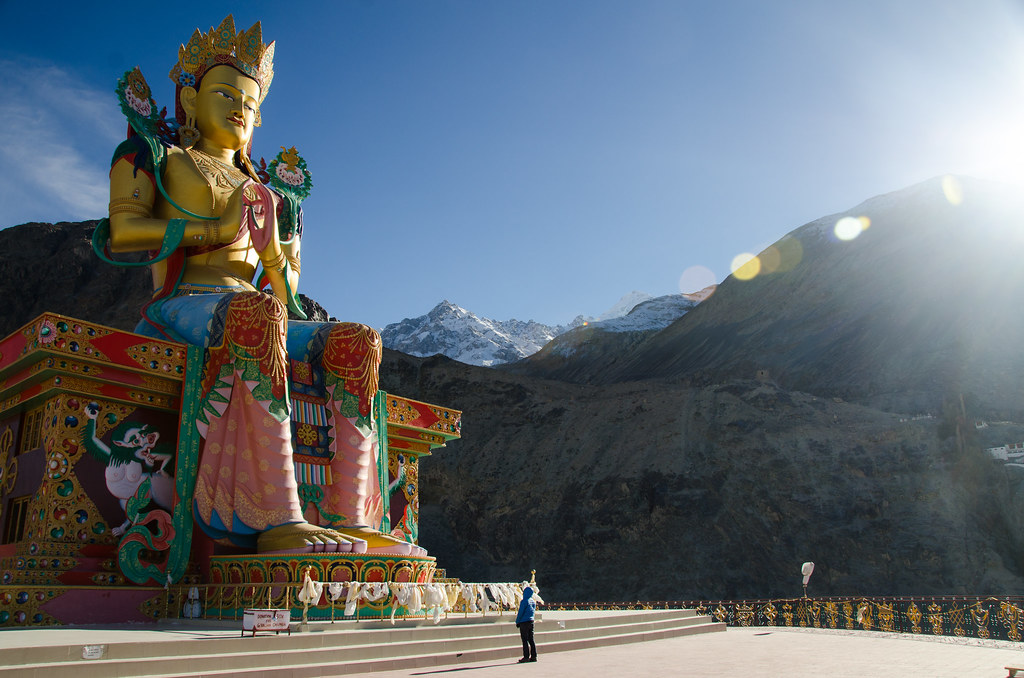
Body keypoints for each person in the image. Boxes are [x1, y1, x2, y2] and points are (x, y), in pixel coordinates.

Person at [98, 15, 418, 556]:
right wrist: (214, 230)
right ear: (190, 97)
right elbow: (122, 233)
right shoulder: (156, 157)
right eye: (224, 93)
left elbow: (285, 292)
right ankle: (275, 515)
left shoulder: (266, 192)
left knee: (357, 339)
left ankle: (351, 516)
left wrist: (278, 254)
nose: (238, 107)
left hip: (252, 306)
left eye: (249, 100)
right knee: (256, 316)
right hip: (185, 302)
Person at [516, 585, 538, 663]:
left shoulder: (524, 601)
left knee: (525, 640)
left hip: (524, 622)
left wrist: (517, 621)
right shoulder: (532, 601)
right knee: (531, 639)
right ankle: (534, 656)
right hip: (531, 621)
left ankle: (526, 656)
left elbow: (520, 612)